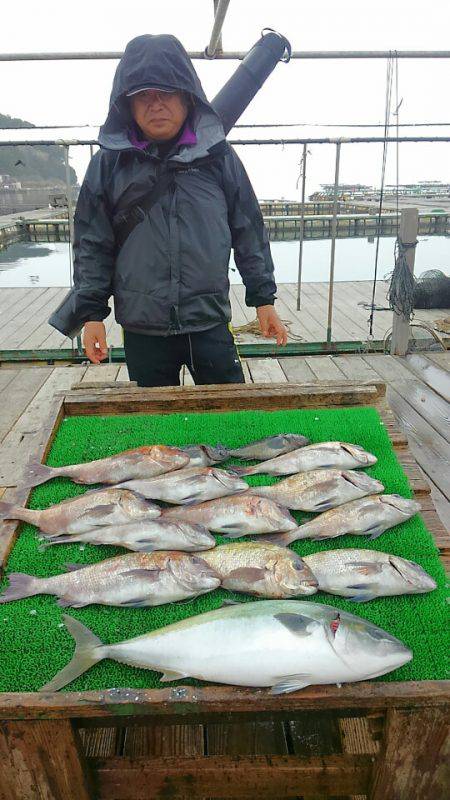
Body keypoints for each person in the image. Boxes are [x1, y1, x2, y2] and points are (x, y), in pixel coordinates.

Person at [49, 34, 287, 386]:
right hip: (143, 329)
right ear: (126, 105)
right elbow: (92, 244)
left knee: (230, 415)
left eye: (167, 92)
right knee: (156, 425)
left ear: (188, 98)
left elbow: (248, 228)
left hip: (208, 321)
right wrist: (91, 315)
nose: (155, 104)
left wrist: (263, 299)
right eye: (142, 95)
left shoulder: (220, 157)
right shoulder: (107, 165)